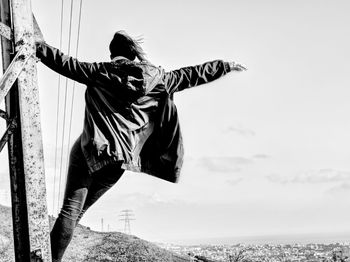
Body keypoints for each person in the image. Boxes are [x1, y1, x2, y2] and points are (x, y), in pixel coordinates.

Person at [35, 30, 246, 262]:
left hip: (91, 151)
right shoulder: (158, 78)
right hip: (120, 160)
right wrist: (224, 65)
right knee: (77, 213)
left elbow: (64, 63)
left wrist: (36, 46)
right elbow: (191, 75)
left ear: (112, 54)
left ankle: (49, 259)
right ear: (133, 56)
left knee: (70, 210)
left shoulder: (99, 72)